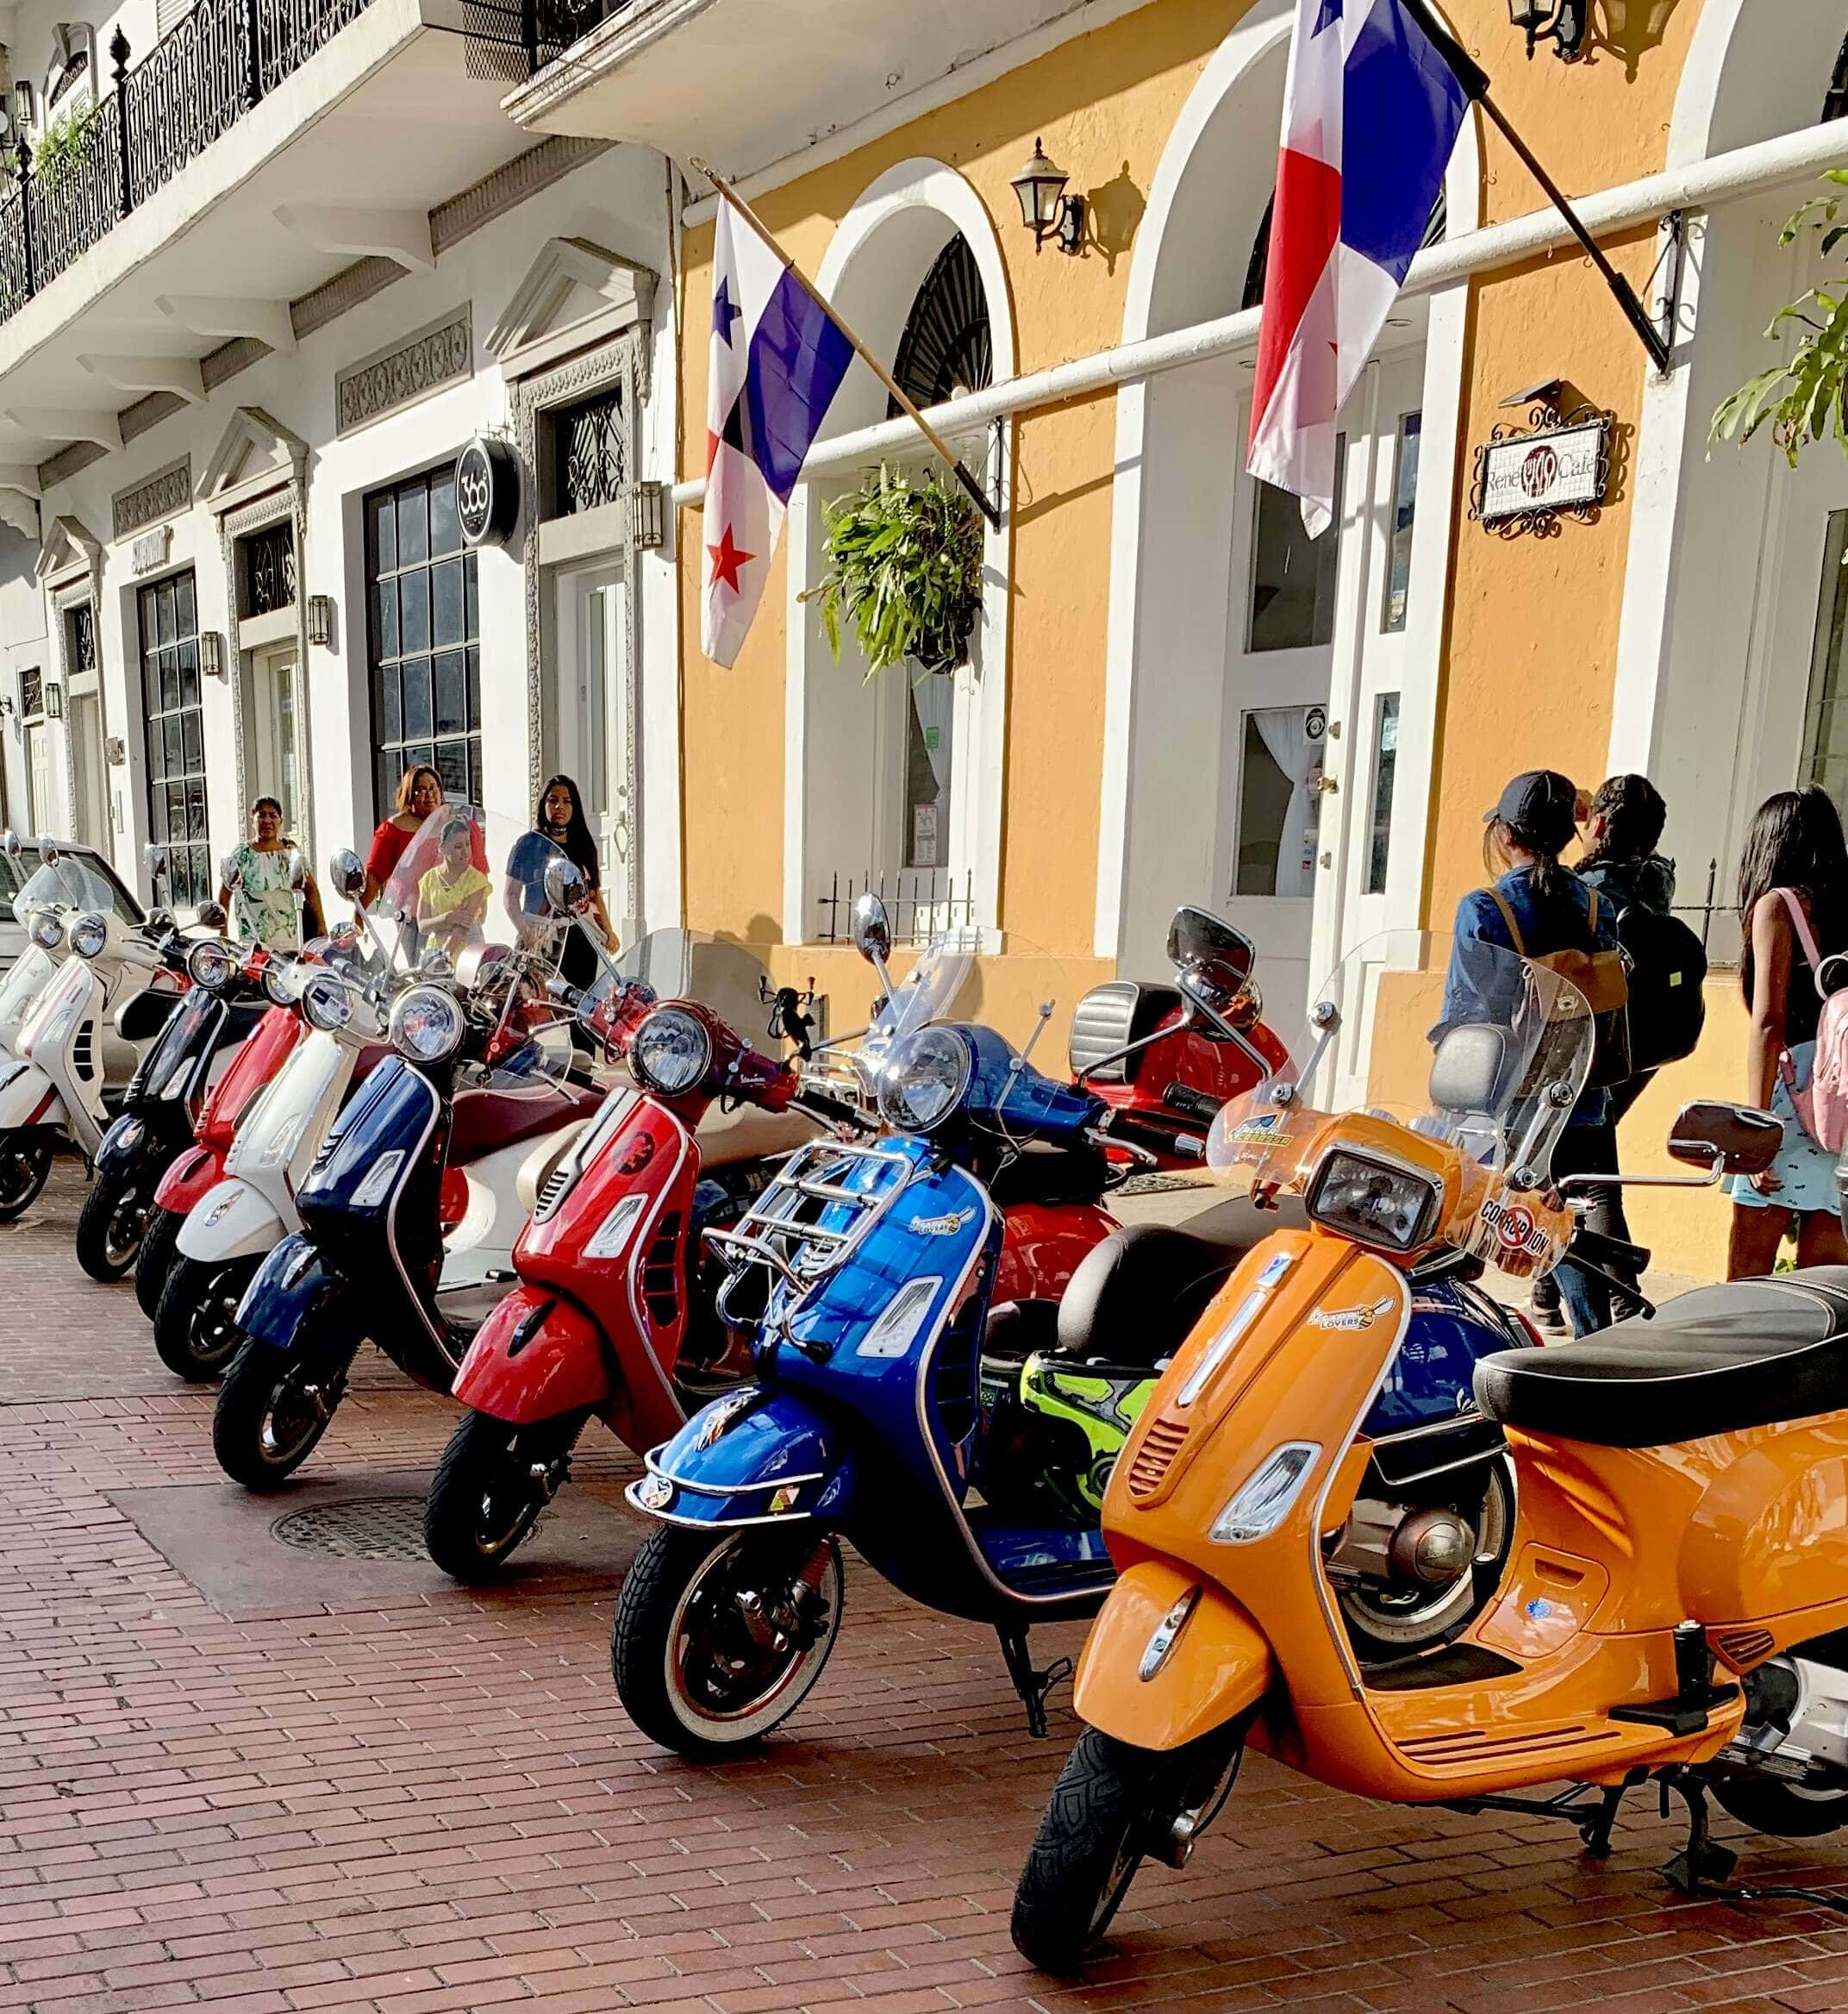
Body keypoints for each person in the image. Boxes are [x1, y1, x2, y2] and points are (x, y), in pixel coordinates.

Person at [1442, 770, 1620, 1338]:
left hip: (1512, 1097)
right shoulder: (1598, 906)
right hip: (1583, 1090)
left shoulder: (1485, 907)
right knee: (1568, 1222)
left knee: (1465, 1218)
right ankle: (1597, 1348)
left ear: (1504, 834)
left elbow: (1469, 1013)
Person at [1528, 773, 1676, 1329]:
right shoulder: (1655, 883)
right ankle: (1551, 1294)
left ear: (1603, 825)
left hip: (1590, 1048)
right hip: (1644, 1048)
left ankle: (1616, 1301)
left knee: (1579, 1175)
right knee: (1572, 1168)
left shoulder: (1587, 890)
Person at [1726, 785, 1848, 1279]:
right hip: (1843, 1107)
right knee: (1826, 1284)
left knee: (1747, 1279)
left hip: (1793, 1097)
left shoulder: (1778, 905)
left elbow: (1768, 1023)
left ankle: (1746, 1360)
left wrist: (1754, 1132)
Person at [217, 797, 323, 952]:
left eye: (273, 815)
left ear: (281, 820)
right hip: (254, 943)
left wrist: (321, 924)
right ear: (252, 820)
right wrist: (223, 933)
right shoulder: (241, 855)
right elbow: (225, 895)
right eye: (261, 815)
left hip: (291, 941)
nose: (267, 820)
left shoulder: (291, 853)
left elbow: (311, 889)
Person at [363, 765, 443, 909]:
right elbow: (374, 877)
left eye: (433, 788)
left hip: (452, 913)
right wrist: (358, 921)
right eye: (420, 790)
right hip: (410, 913)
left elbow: (476, 871)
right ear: (409, 795)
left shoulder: (455, 824)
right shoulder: (393, 829)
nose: (429, 795)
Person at [415, 814, 492, 954]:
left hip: (467, 950)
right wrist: (446, 918)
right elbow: (422, 926)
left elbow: (463, 926)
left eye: (468, 844)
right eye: (458, 846)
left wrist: (445, 955)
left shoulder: (475, 880)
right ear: (442, 849)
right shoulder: (429, 878)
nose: (465, 852)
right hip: (436, 947)